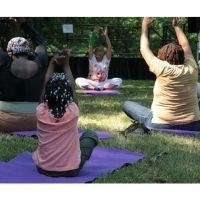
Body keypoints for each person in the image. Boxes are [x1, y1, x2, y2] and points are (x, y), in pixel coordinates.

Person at [122, 17, 200, 136]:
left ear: (163, 58)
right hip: (194, 125)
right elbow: (186, 46)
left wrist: (144, 26)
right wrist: (176, 26)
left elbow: (144, 49)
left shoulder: (162, 68)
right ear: (182, 56)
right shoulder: (192, 68)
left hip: (160, 124)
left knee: (127, 104)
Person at [33, 49, 98, 177]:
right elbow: (72, 87)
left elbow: (45, 86)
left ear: (46, 94)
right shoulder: (72, 112)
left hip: (43, 168)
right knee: (90, 135)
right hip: (71, 170)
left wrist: (52, 63)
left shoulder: (41, 112)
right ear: (68, 95)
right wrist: (66, 64)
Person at [0, 17, 48, 132]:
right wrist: (24, 24)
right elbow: (40, 42)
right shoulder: (40, 62)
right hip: (36, 121)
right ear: (28, 51)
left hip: (6, 122)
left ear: (10, 52)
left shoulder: (4, 62)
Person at [75, 27, 122, 91]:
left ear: (104, 52)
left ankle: (105, 88)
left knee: (119, 80)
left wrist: (106, 36)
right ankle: (94, 88)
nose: (99, 52)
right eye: (97, 51)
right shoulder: (92, 58)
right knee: (78, 79)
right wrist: (94, 34)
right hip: (92, 83)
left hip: (105, 83)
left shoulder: (106, 58)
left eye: (101, 51)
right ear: (95, 52)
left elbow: (109, 47)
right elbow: (90, 46)